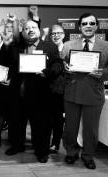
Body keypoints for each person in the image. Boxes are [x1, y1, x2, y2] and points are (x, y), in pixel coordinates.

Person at [5, 20, 63, 163]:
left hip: (40, 94)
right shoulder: (16, 46)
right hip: (19, 93)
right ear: (22, 32)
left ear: (39, 30)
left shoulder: (49, 46)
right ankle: (17, 146)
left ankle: (42, 151)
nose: (30, 30)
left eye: (33, 27)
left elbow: (58, 64)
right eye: (26, 28)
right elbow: (6, 62)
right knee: (17, 123)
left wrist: (48, 72)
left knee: (41, 125)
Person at [62, 13, 108, 170]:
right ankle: (71, 152)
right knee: (70, 127)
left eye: (91, 23)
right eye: (84, 23)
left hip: (94, 93)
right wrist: (65, 68)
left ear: (96, 26)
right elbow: (61, 66)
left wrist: (104, 73)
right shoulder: (68, 45)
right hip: (72, 92)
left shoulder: (106, 46)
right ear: (79, 26)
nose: (88, 26)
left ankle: (88, 155)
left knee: (91, 129)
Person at [49, 24, 66, 153]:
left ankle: (56, 143)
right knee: (49, 117)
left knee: (59, 119)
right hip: (48, 89)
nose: (56, 36)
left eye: (58, 33)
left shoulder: (70, 49)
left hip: (64, 90)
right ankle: (46, 142)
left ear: (64, 35)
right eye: (53, 34)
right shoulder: (48, 49)